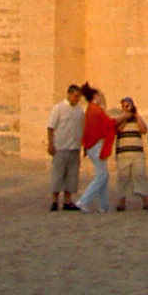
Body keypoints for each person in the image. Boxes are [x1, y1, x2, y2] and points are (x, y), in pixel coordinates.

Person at [45, 82, 86, 212]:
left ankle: (68, 201)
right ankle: (54, 200)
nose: (77, 99)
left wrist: (83, 145)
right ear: (69, 94)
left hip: (74, 147)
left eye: (78, 97)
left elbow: (82, 128)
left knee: (72, 176)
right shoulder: (58, 108)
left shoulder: (80, 110)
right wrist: (51, 144)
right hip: (61, 147)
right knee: (58, 175)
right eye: (75, 96)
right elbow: (51, 127)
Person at [78, 87, 116, 212]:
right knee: (102, 175)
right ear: (95, 96)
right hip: (96, 146)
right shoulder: (95, 110)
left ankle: (103, 206)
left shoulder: (91, 109)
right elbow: (109, 124)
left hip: (93, 146)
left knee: (103, 175)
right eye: (100, 95)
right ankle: (83, 201)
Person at [111, 97, 148, 211]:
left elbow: (144, 129)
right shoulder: (119, 119)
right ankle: (121, 203)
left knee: (140, 176)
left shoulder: (137, 118)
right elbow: (118, 129)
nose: (127, 108)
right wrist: (125, 117)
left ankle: (146, 202)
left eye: (129, 105)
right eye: (125, 106)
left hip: (137, 154)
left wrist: (136, 114)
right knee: (122, 178)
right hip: (123, 154)